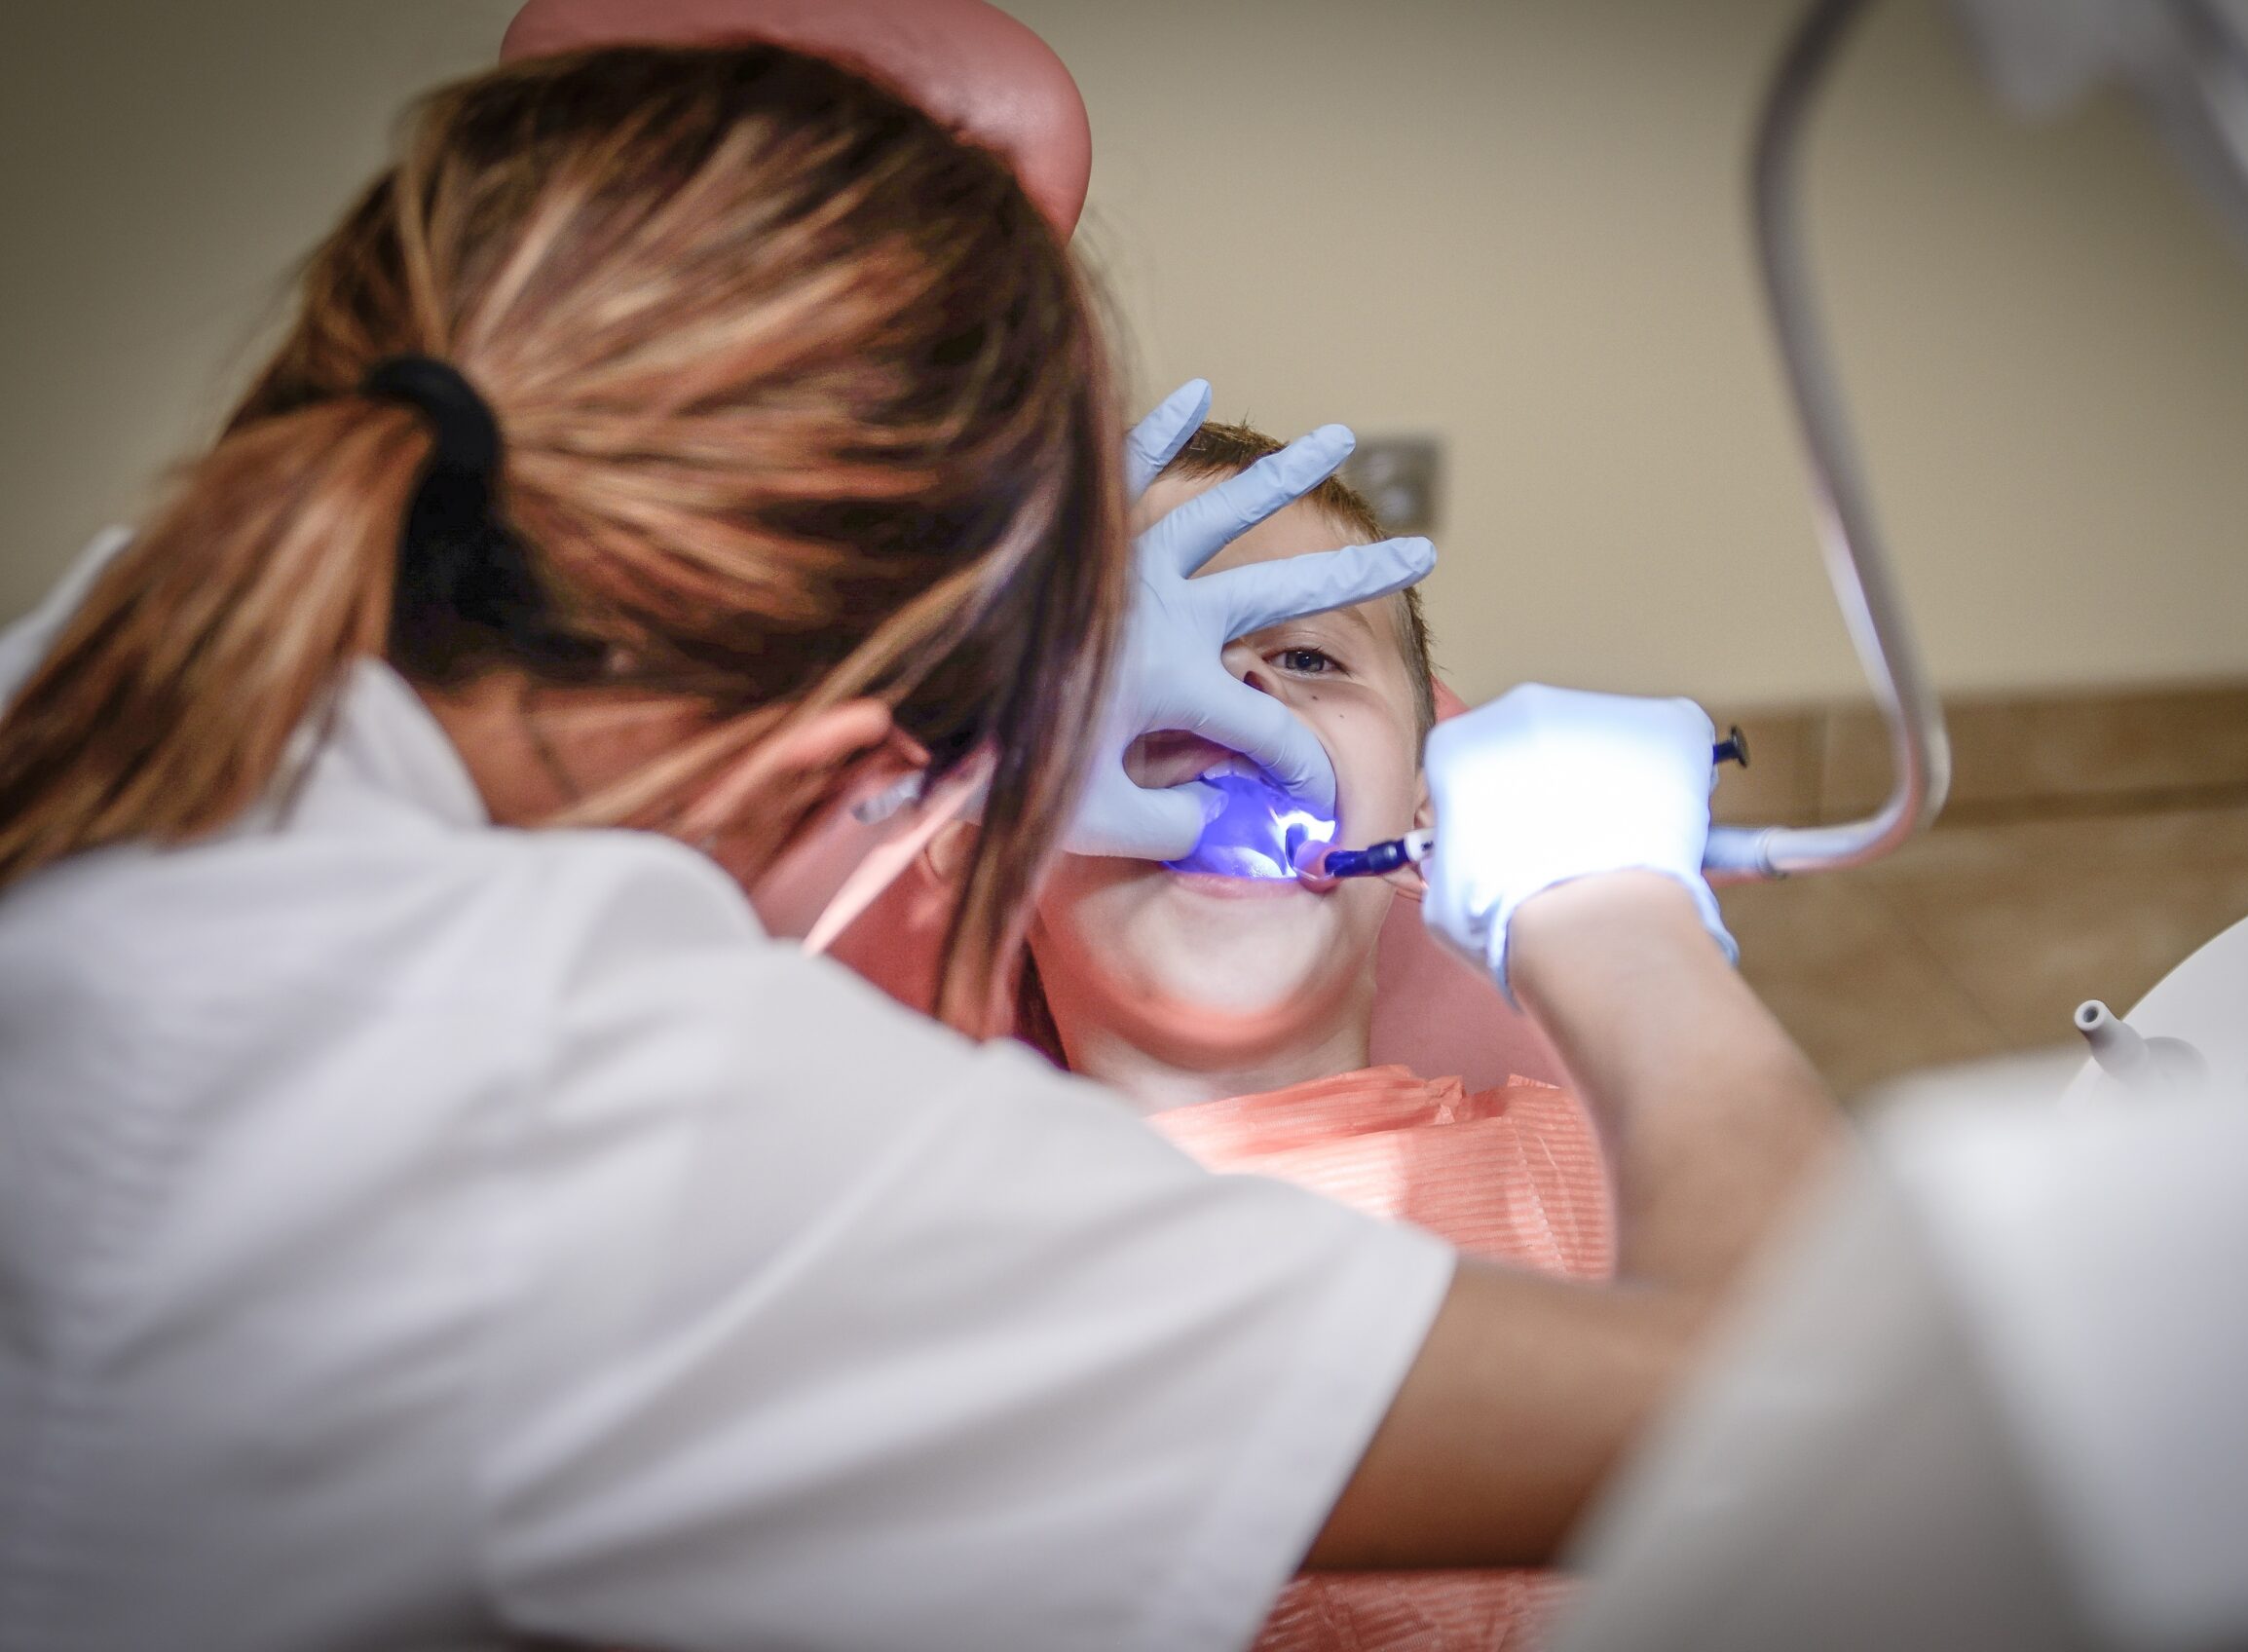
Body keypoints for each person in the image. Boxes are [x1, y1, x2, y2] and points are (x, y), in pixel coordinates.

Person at [0, 39, 1838, 1652]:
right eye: (1080, 674)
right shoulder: (694, 1137)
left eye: (1304, 662)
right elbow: (1802, 1414)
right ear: (933, 778)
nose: (1219, 732)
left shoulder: (108, 691)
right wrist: (1606, 891)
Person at [1024, 423, 1609, 1651]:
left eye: (1303, 655)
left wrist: (1622, 941)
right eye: (1130, 655)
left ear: (1423, 807)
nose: (1232, 712)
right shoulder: (962, 1266)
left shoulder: (1580, 1162)